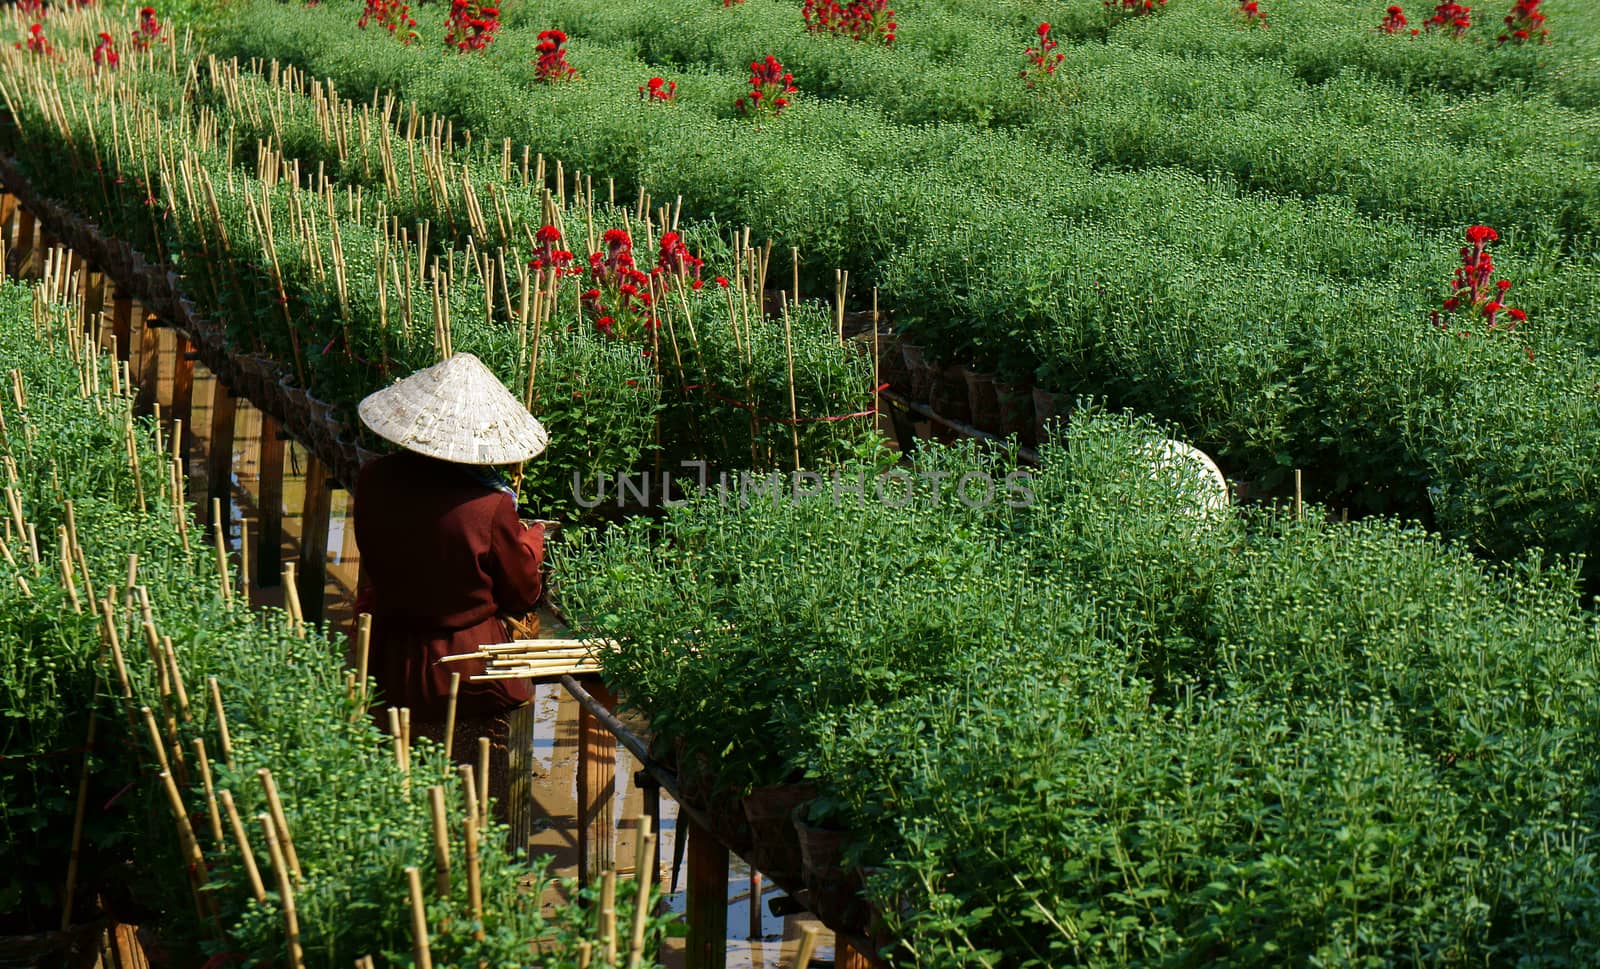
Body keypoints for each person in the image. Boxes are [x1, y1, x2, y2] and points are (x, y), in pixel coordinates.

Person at [350, 352, 550, 814]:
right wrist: (532, 541)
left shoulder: (375, 477)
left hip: (387, 654)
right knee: (476, 805)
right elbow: (521, 592)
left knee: (401, 796)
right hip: (466, 669)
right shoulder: (489, 506)